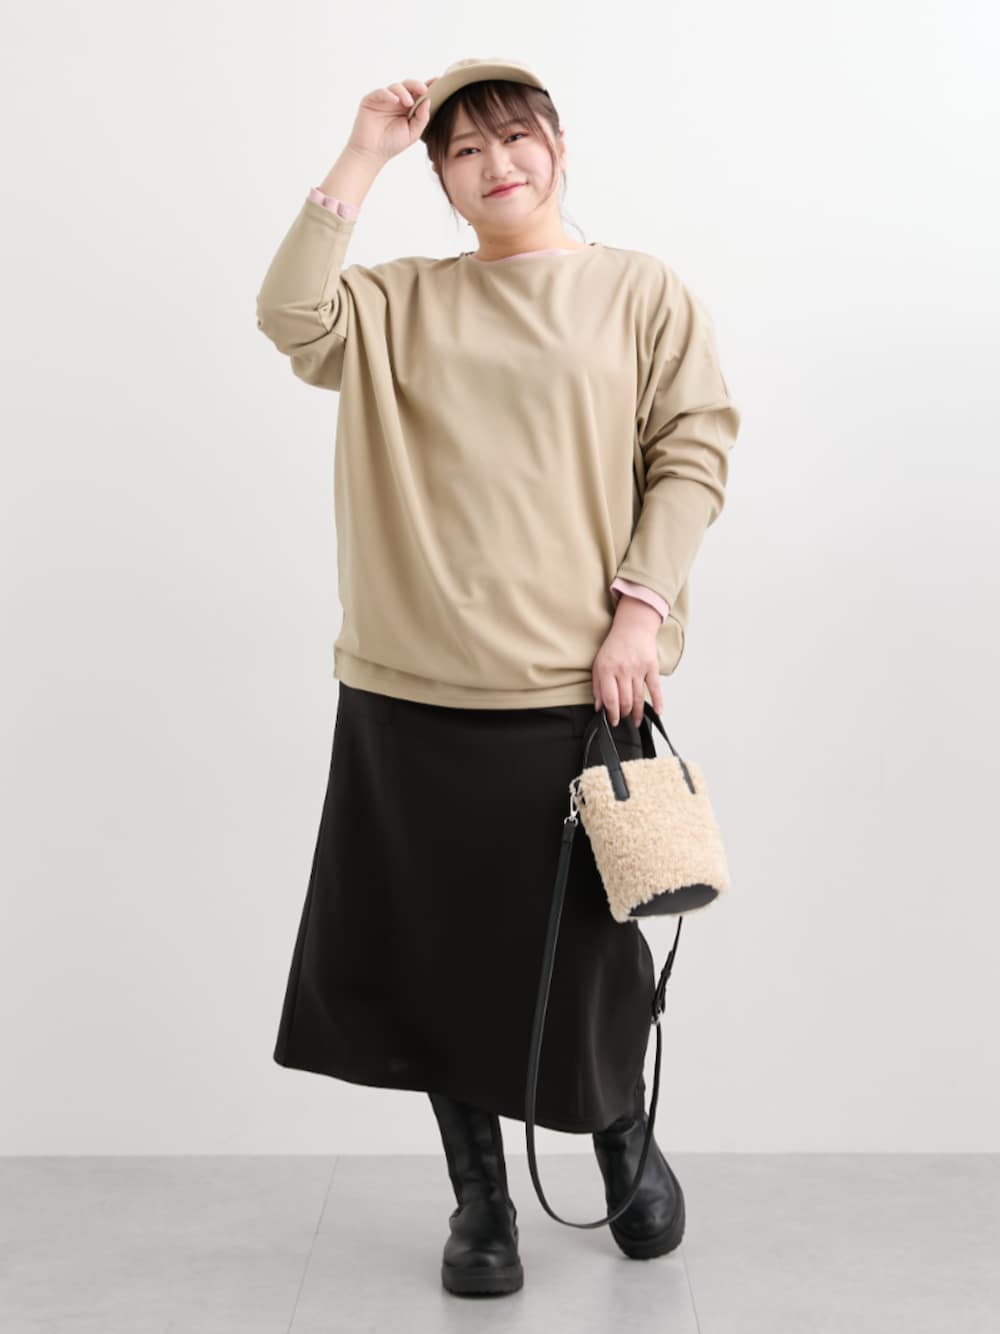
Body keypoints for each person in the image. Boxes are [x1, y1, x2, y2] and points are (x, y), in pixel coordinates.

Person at [256, 57, 741, 1299]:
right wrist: (364, 150)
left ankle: (619, 1131)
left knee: (587, 950)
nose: (495, 164)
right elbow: (289, 314)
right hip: (409, 682)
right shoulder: (400, 301)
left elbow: (691, 450)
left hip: (573, 682)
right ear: (441, 180)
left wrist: (640, 614)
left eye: (514, 137)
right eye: (463, 151)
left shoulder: (637, 290)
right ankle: (480, 1197)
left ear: (557, 147)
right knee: (437, 952)